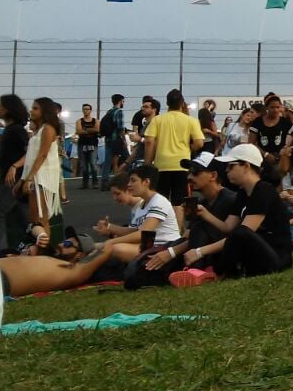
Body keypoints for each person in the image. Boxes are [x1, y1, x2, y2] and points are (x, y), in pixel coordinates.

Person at [173, 143, 293, 285]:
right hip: (255, 252)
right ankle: (198, 271)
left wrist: (200, 251)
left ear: (246, 166)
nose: (227, 171)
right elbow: (227, 227)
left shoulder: (263, 191)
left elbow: (243, 234)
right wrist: (205, 215)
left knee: (241, 232)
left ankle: (216, 273)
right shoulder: (243, 192)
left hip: (276, 256)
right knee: (204, 227)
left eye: (231, 166)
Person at [123, 153, 237, 290]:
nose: (189, 177)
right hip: (190, 252)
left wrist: (170, 252)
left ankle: (199, 273)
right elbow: (187, 236)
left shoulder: (229, 199)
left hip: (212, 255)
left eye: (195, 173)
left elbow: (225, 236)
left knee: (199, 228)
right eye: (189, 173)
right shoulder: (201, 203)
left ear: (213, 175)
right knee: (136, 274)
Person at [142, 88, 205, 231]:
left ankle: (158, 229)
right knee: (179, 201)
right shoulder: (191, 120)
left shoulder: (157, 120)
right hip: (181, 165)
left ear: (166, 103)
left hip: (161, 164)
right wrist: (188, 146)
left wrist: (147, 162)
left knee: (159, 200)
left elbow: (149, 142)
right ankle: (177, 233)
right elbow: (200, 143)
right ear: (182, 103)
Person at [94, 164, 183, 265]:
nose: (129, 185)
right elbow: (132, 231)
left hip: (166, 248)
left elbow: (142, 234)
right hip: (151, 246)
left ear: (146, 182)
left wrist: (111, 241)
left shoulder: (159, 201)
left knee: (114, 248)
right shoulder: (142, 205)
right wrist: (110, 227)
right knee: (96, 247)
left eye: (133, 180)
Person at [17, 97, 64, 250]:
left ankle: (47, 252)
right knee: (35, 218)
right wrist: (23, 179)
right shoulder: (38, 129)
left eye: (35, 108)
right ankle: (41, 248)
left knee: (42, 218)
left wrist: (28, 178)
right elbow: (31, 156)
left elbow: (42, 155)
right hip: (35, 177)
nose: (31, 110)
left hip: (43, 177)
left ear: (44, 111)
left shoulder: (48, 128)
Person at [0, 95, 30, 256]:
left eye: (0, 105)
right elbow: (8, 158)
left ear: (9, 108)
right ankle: (39, 245)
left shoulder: (16, 129)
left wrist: (14, 167)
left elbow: (30, 152)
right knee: (24, 221)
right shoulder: (9, 129)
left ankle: (0, 253)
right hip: (11, 181)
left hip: (12, 182)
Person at [249, 94, 293, 172]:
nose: (275, 110)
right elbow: (251, 143)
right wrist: (265, 154)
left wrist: (284, 151)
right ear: (266, 108)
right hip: (261, 160)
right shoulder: (257, 122)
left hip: (281, 161)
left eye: (277, 107)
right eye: (272, 107)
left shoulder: (285, 122)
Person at [99, 93, 127, 188]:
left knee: (107, 161)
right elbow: (120, 127)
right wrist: (124, 140)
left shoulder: (109, 111)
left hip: (108, 139)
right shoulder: (119, 112)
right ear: (120, 101)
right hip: (116, 140)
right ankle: (117, 182)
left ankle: (104, 181)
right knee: (119, 161)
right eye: (123, 101)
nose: (123, 103)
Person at [75, 104, 100, 189]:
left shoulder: (95, 121)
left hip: (93, 144)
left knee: (93, 164)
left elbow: (97, 129)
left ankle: (95, 182)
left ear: (90, 110)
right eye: (84, 109)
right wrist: (90, 130)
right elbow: (78, 131)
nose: (85, 111)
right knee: (83, 165)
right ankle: (85, 183)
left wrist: (85, 129)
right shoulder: (79, 121)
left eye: (87, 109)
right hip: (82, 144)